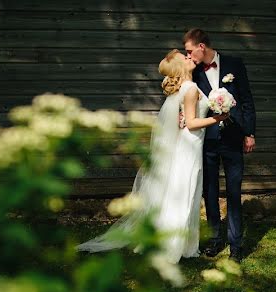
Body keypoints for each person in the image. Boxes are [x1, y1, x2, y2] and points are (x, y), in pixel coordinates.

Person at [77, 50, 227, 263]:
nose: (189, 57)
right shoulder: (191, 88)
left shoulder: (182, 89)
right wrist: (219, 117)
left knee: (180, 193)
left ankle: (171, 241)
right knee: (185, 193)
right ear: (180, 68)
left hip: (185, 144)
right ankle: (177, 245)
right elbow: (192, 123)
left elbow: (182, 118)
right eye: (184, 58)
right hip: (190, 145)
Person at [183, 28, 256, 262]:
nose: (188, 56)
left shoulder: (234, 64)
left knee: (234, 192)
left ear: (201, 47)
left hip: (234, 137)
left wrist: (250, 132)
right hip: (207, 140)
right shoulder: (192, 72)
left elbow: (246, 100)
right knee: (210, 191)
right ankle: (215, 240)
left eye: (189, 50)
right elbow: (183, 97)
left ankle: (236, 245)